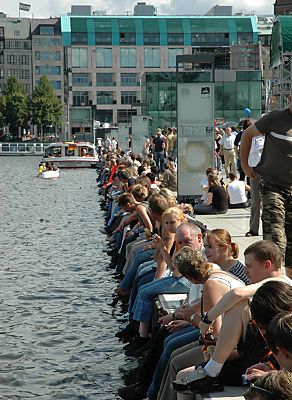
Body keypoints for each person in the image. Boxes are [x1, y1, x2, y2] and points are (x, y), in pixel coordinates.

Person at [157, 240, 291, 400]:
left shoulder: (278, 282)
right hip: (254, 350)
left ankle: (212, 369)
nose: (244, 270)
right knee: (174, 355)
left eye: (249, 266)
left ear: (267, 265)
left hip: (258, 350)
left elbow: (236, 295)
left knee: (176, 358)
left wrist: (206, 320)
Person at [240, 102, 292, 278]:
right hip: (273, 185)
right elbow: (247, 135)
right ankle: (274, 286)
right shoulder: (276, 118)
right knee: (275, 238)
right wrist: (245, 166)